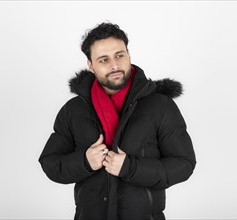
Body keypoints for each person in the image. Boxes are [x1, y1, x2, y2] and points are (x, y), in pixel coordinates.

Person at [39, 22, 196, 220]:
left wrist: (131, 168)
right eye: (103, 59)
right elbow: (50, 163)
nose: (114, 65)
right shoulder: (73, 110)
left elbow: (184, 164)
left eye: (119, 55)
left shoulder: (160, 106)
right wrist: (84, 162)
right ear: (90, 65)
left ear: (128, 54)